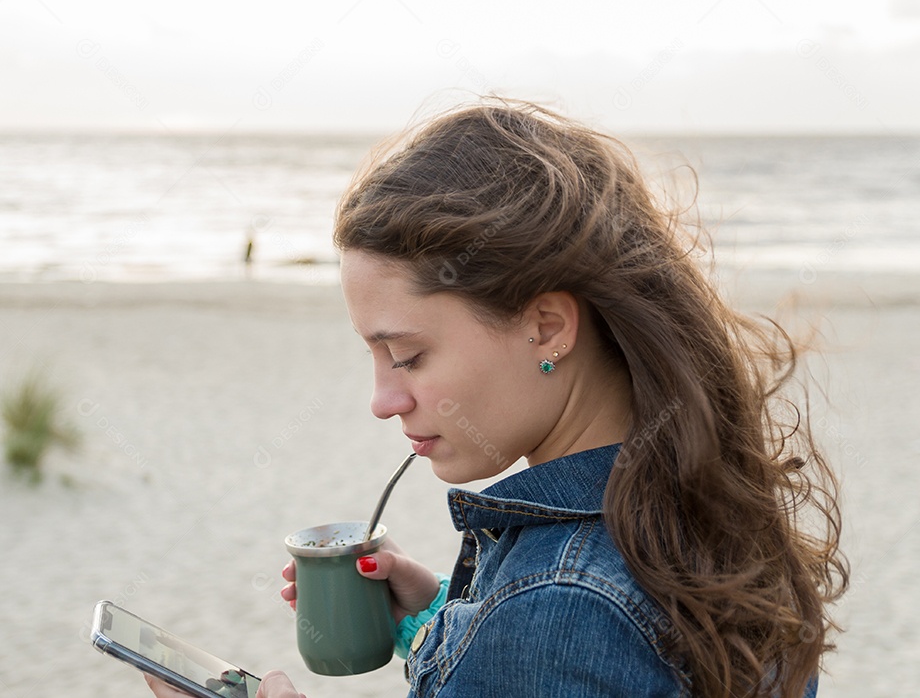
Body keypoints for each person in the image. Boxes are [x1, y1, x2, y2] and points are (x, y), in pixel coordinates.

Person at [147, 99, 847, 698]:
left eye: (409, 355)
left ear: (546, 326)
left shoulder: (555, 611)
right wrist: (445, 623)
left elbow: (566, 636)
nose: (383, 399)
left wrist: (507, 629)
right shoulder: (692, 505)